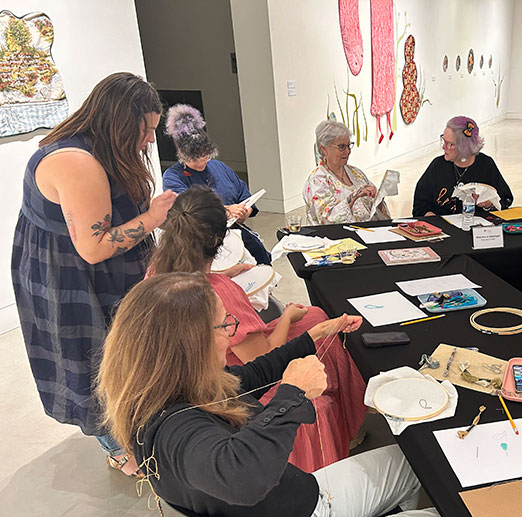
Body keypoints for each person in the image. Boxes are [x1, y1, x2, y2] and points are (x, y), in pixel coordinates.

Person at [97, 272, 467, 517]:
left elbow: (251, 378)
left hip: (303, 506)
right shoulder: (174, 430)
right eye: (223, 326)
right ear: (190, 345)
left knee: (417, 458)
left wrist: (312, 338)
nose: (230, 334)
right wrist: (293, 394)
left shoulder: (167, 390)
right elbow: (244, 475)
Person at [11, 72, 177, 477]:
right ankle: (117, 445)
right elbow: (94, 245)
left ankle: (136, 425)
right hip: (72, 279)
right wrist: (154, 216)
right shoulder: (74, 162)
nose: (150, 141)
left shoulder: (104, 149)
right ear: (120, 121)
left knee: (129, 355)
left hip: (103, 274)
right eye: (146, 130)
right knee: (96, 361)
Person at [148, 185, 367, 471]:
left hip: (198, 373)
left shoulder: (158, 271)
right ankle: (345, 424)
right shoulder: (216, 294)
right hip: (227, 379)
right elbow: (260, 360)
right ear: (220, 240)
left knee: (314, 317)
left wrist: (223, 275)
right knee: (319, 331)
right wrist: (287, 317)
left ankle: (345, 418)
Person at [162, 104, 271, 265]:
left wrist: (244, 211)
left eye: (205, 156)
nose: (202, 161)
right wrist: (226, 211)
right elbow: (188, 209)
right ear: (182, 155)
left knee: (260, 260)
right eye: (195, 158)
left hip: (237, 234)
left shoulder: (219, 167)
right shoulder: (173, 177)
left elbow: (242, 193)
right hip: (202, 244)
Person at [413, 116, 513, 217]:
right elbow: (420, 206)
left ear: (464, 147)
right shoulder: (437, 166)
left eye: (450, 144)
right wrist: (435, 221)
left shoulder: (486, 165)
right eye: (443, 140)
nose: (443, 147)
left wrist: (488, 204)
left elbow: (506, 200)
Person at [302, 120, 391, 224]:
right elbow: (327, 220)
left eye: (349, 146)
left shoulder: (355, 173)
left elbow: (377, 214)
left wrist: (378, 199)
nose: (348, 151)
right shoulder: (318, 180)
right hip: (337, 238)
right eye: (341, 147)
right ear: (324, 149)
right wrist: (354, 197)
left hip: (366, 233)